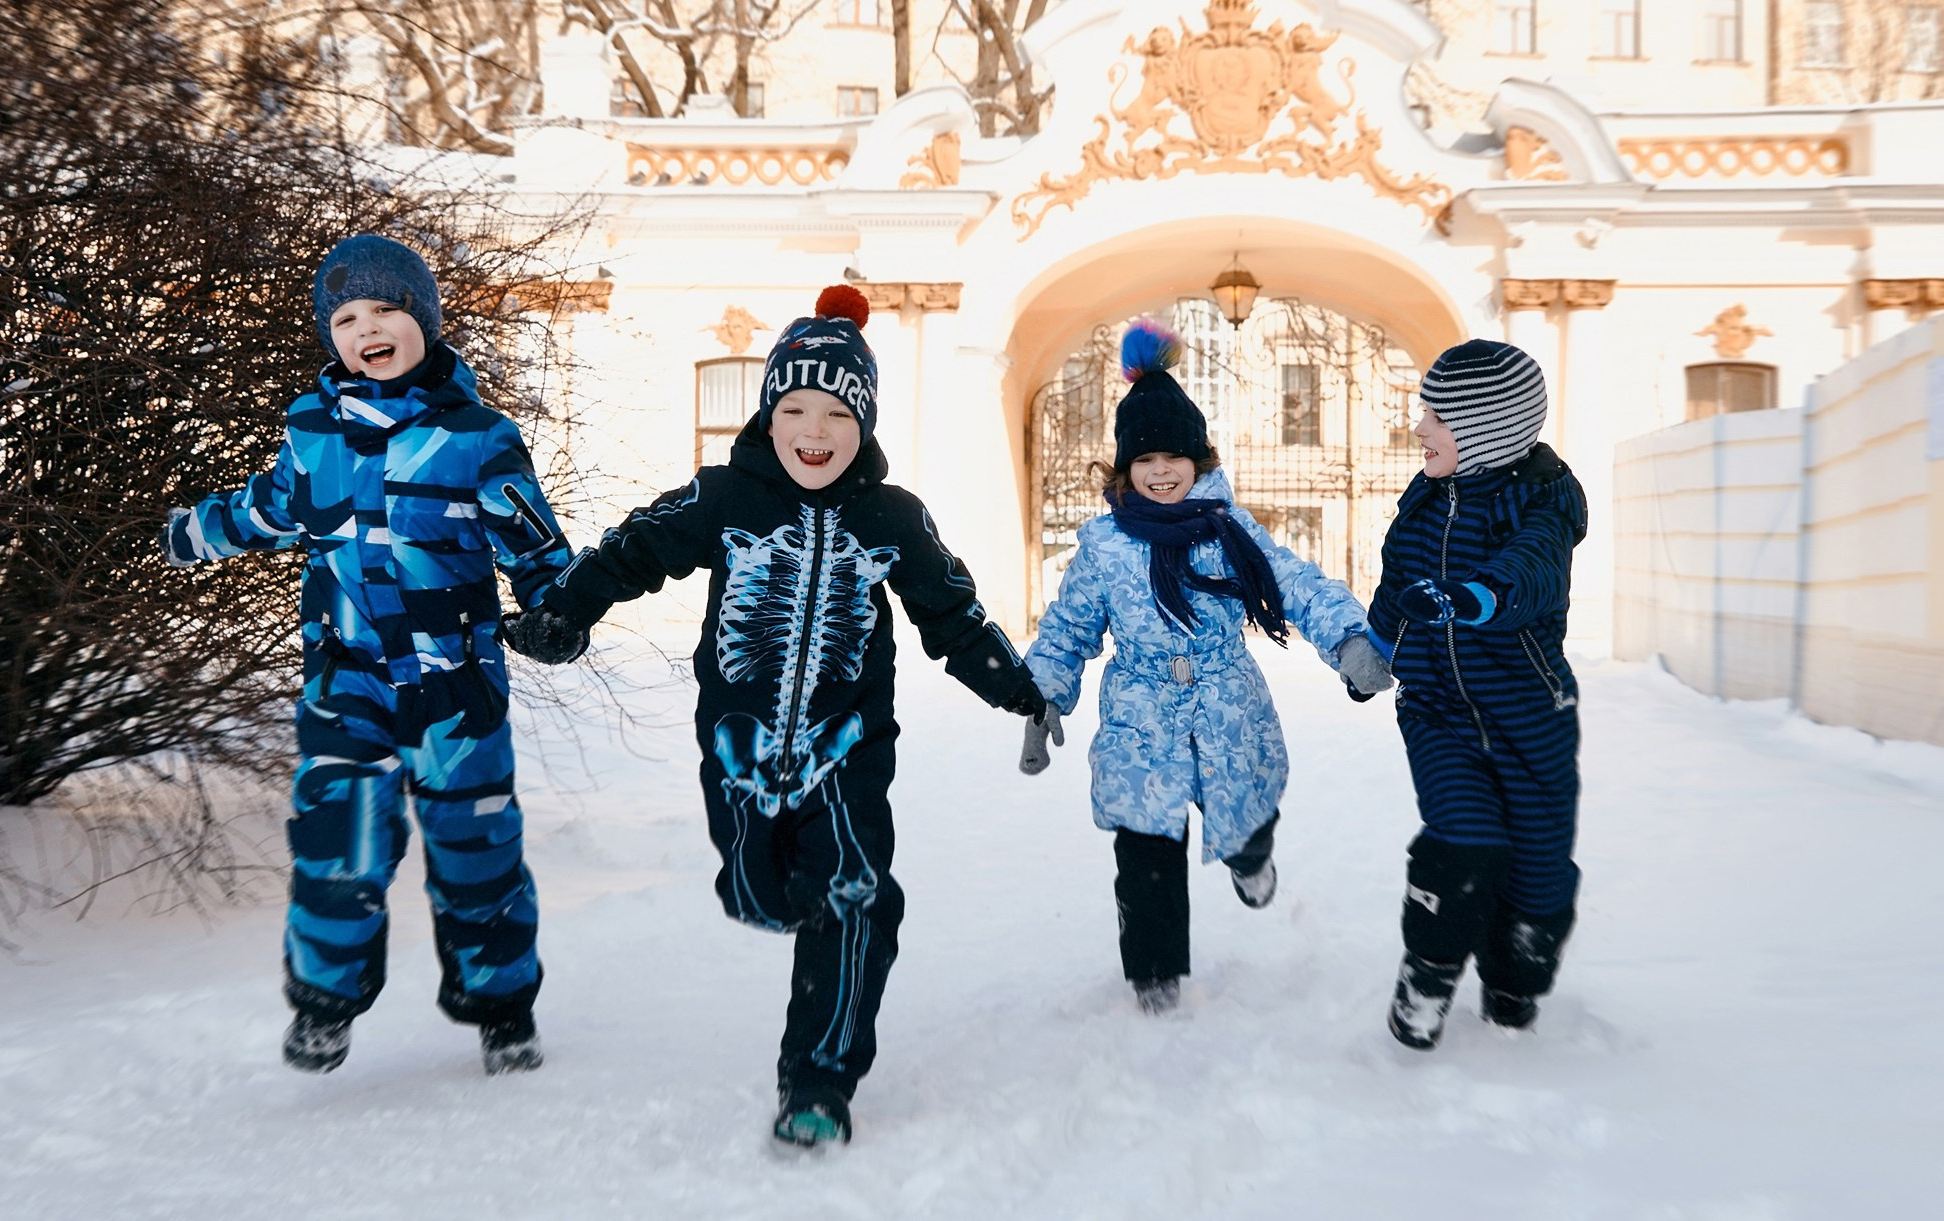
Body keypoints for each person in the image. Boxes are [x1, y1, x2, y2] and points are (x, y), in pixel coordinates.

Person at [505, 285, 1047, 1150]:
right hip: (737, 745)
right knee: (762, 892)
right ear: (767, 415)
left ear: (863, 425)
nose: (816, 427)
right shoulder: (724, 498)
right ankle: (788, 910)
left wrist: (1015, 685)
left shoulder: (893, 517)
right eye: (796, 405)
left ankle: (820, 1081)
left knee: (856, 895)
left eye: (838, 411)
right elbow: (634, 548)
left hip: (848, 748)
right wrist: (566, 610)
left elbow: (951, 612)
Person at [162, 235, 572, 1077]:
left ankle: (502, 1008)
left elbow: (537, 548)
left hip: (456, 686)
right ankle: (324, 1004)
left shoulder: (478, 438)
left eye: (387, 309)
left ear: (423, 318)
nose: (367, 328)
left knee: (475, 844)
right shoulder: (314, 434)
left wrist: (558, 611)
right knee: (336, 837)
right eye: (347, 317)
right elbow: (269, 506)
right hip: (346, 680)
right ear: (331, 336)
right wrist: (192, 531)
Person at [1017, 322, 1393, 1014]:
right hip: (1140, 715)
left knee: (1246, 816)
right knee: (1145, 848)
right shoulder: (1104, 545)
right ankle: (1154, 975)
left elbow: (1292, 581)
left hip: (1227, 704)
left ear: (1199, 458)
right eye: (1145, 459)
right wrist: (1041, 693)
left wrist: (1348, 639)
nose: (1161, 470)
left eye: (1175, 456)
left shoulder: (1229, 528)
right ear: (1124, 469)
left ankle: (1252, 857)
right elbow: (1069, 626)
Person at [1365, 338, 1587, 1050]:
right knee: (1463, 838)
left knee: (1538, 869)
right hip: (1439, 713)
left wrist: (1470, 595)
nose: (1419, 428)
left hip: (1530, 715)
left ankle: (1513, 982)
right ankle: (1428, 973)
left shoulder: (1538, 506)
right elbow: (1396, 588)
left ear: (1487, 427)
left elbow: (1531, 574)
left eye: (1437, 416)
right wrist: (1375, 651)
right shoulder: (1423, 505)